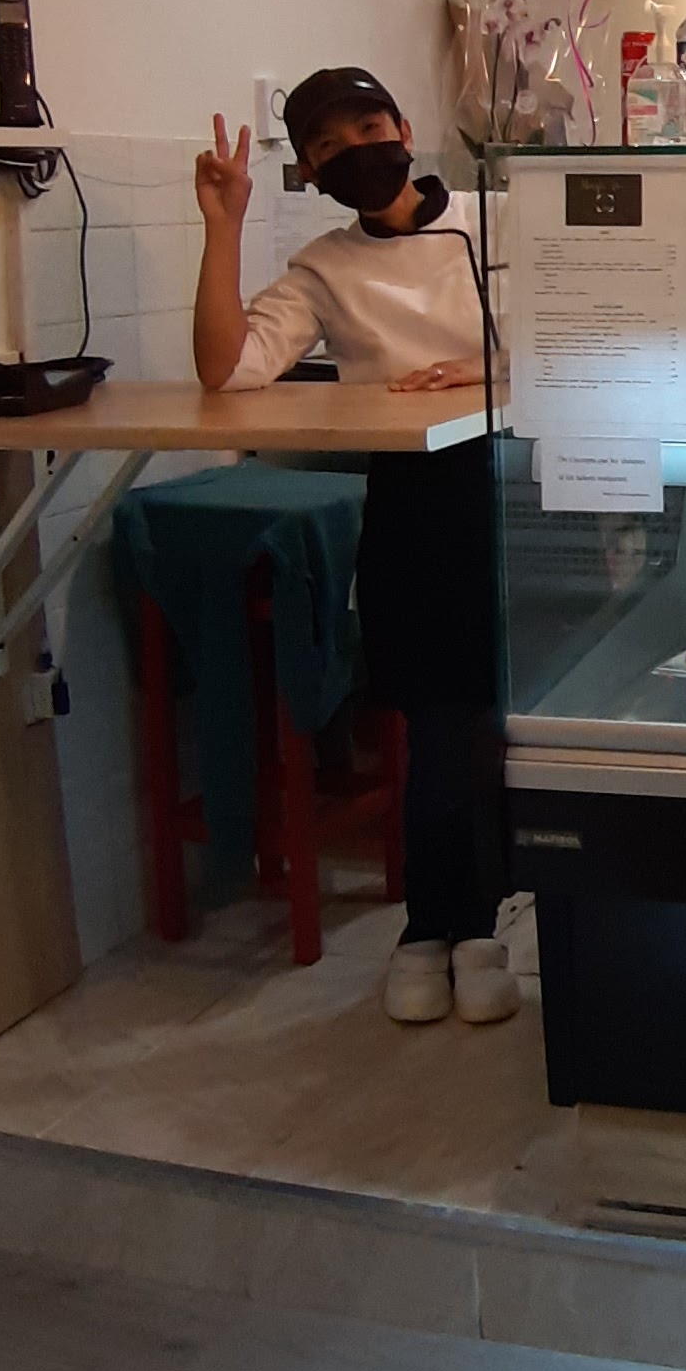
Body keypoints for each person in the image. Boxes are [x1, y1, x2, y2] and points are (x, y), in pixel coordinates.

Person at [192, 65, 517, 1031]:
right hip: (415, 502)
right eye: (328, 146)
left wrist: (486, 370)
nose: (355, 152)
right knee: (437, 726)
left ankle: (483, 924)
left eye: (367, 129)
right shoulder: (324, 268)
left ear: (404, 129)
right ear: (310, 170)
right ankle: (434, 928)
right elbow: (228, 371)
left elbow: (593, 334)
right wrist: (222, 227)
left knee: (516, 723)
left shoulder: (503, 221)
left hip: (524, 487)